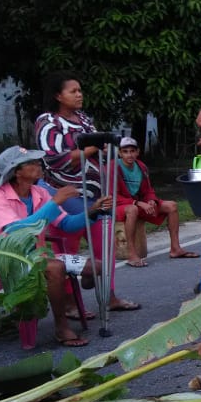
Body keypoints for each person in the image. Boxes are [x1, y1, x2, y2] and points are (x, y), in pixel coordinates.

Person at [0, 146, 112, 347]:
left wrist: (93, 211)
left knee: (98, 266)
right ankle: (61, 326)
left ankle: (82, 283)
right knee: (54, 267)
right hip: (4, 262)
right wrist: (56, 201)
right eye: (31, 163)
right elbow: (18, 230)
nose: (39, 164)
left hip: (36, 258)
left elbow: (67, 224)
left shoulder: (39, 192)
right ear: (17, 172)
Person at [35, 71, 140, 312]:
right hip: (65, 193)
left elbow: (98, 148)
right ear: (58, 96)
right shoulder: (48, 122)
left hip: (94, 193)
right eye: (73, 91)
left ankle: (109, 296)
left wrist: (99, 148)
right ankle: (71, 303)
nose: (79, 94)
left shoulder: (83, 119)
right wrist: (94, 146)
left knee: (106, 243)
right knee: (68, 249)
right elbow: (57, 161)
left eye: (80, 90)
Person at [114, 137, 198, 267]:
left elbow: (148, 190)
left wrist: (151, 200)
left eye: (132, 151)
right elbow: (112, 196)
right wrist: (137, 203)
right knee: (133, 209)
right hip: (119, 205)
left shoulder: (141, 166)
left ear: (137, 152)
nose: (129, 154)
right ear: (120, 153)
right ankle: (131, 254)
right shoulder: (113, 167)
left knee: (172, 206)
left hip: (137, 203)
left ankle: (175, 248)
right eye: (125, 151)